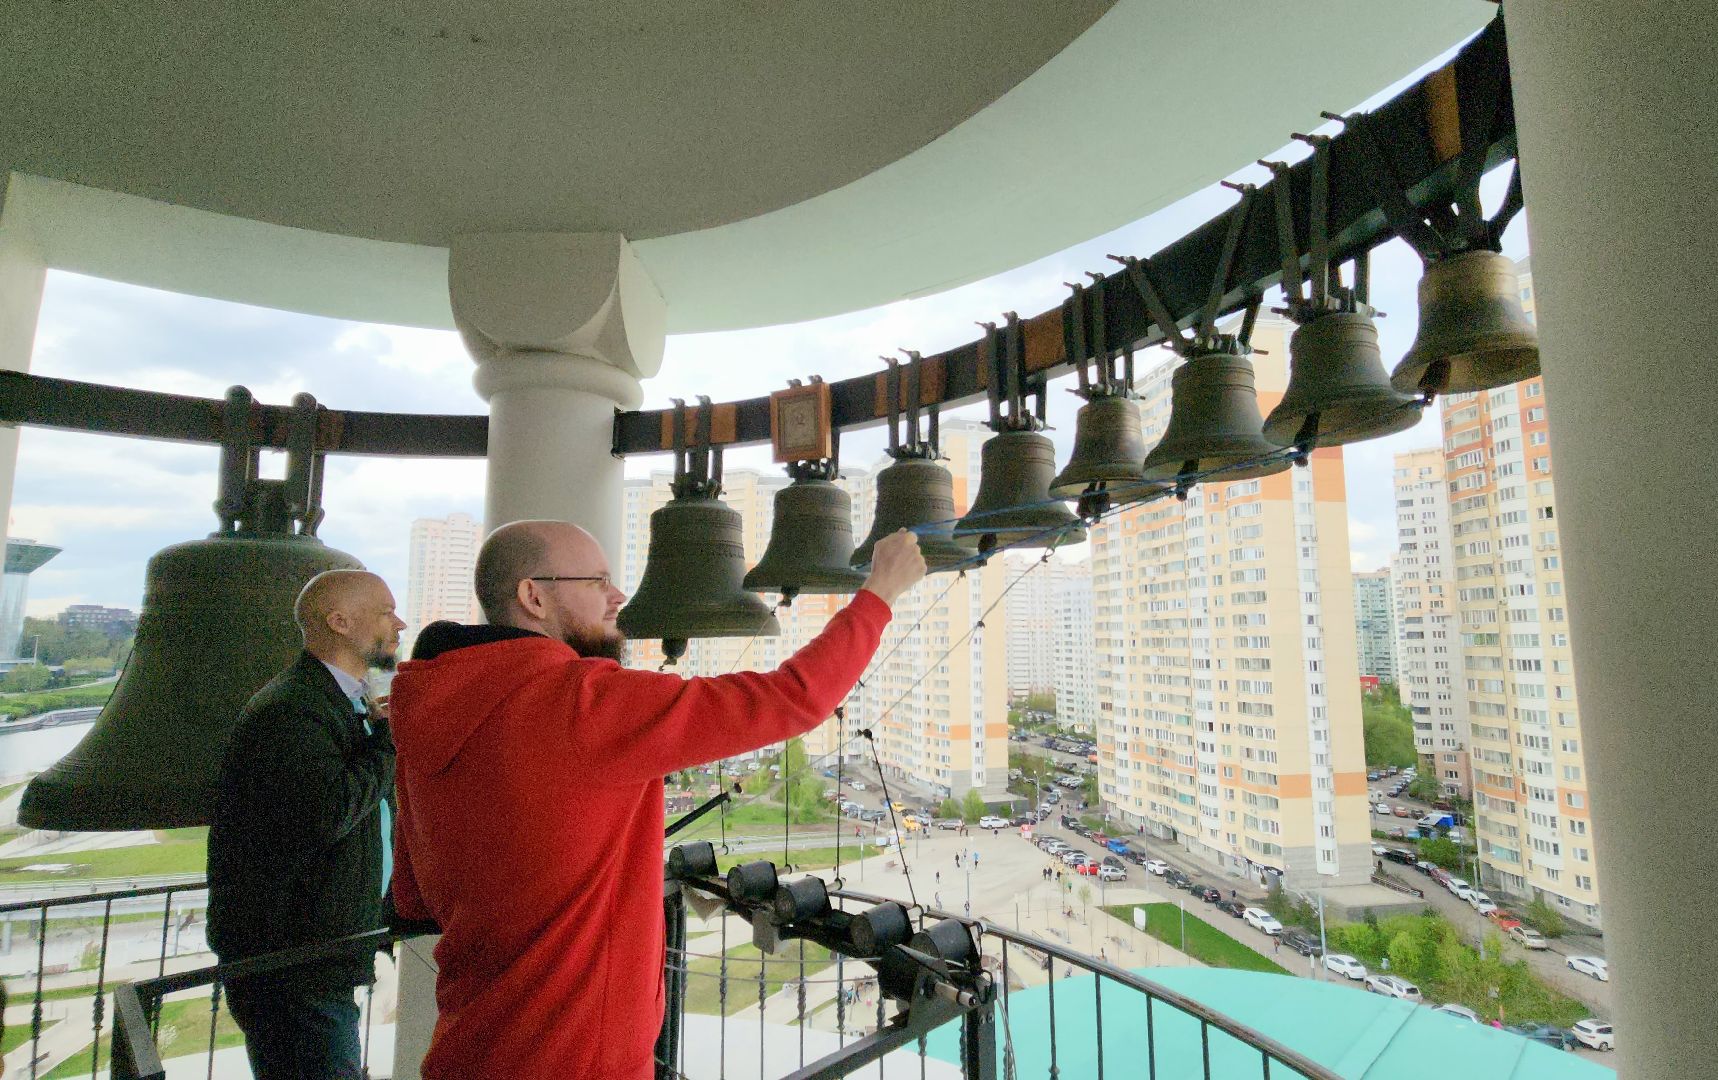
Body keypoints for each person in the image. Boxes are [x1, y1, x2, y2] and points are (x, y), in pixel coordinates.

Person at [388, 521, 925, 1079]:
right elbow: (794, 697)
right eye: (597, 581)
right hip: (576, 1063)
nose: (617, 596)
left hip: (467, 1047)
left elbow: (412, 898)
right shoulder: (582, 703)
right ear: (534, 596)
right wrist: (879, 594)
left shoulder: (427, 710)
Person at [207, 570, 405, 1080]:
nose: (399, 623)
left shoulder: (332, 700)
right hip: (292, 968)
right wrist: (389, 740)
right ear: (338, 622)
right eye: (386, 611)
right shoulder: (292, 710)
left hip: (315, 960)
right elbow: (329, 811)